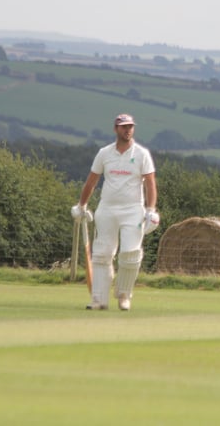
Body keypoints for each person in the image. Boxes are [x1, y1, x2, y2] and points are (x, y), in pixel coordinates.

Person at [71, 113, 159, 311]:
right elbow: (91, 181)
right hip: (107, 209)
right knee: (102, 254)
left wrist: (150, 210)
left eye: (130, 127)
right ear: (115, 129)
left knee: (130, 254)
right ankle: (98, 300)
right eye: (123, 127)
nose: (127, 130)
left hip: (133, 210)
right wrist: (81, 206)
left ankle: (123, 295)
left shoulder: (142, 154)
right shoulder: (104, 153)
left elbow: (151, 184)